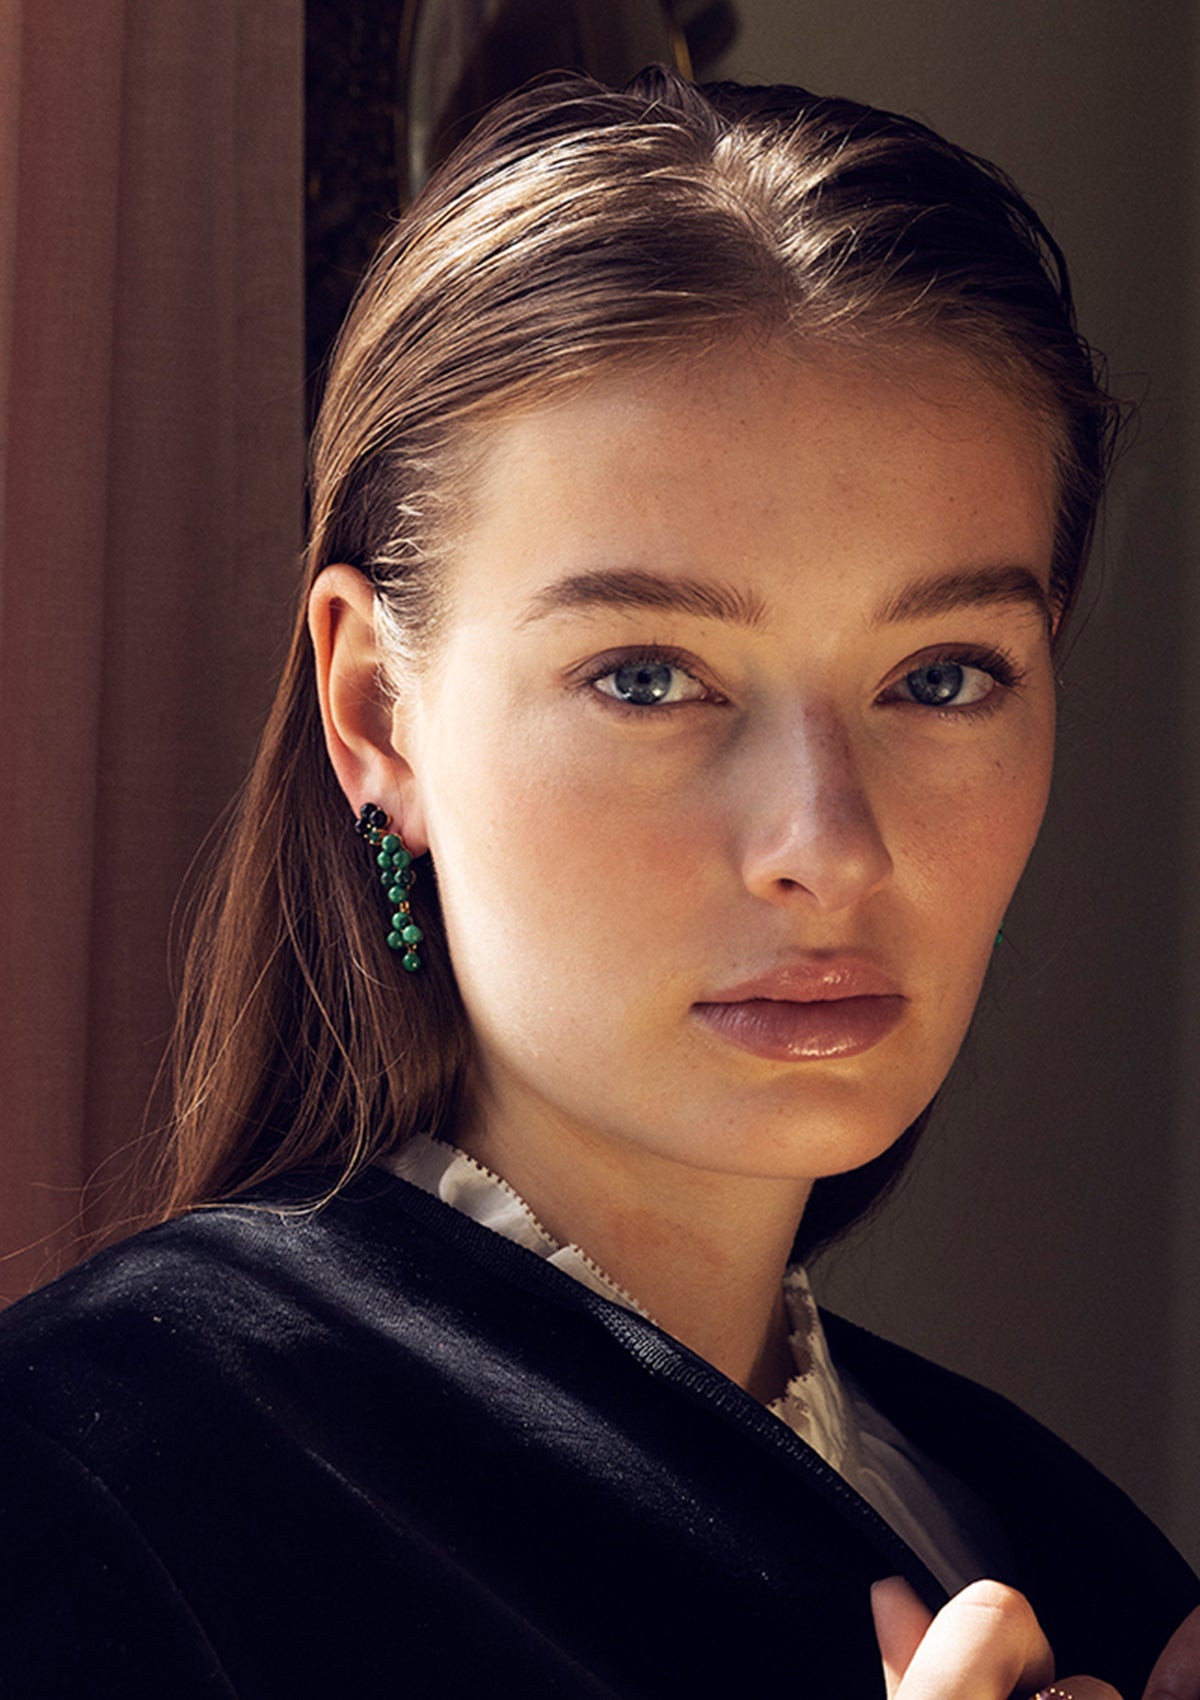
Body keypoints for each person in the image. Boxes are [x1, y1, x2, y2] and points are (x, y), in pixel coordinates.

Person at [0, 65, 1196, 1698]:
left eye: (942, 677)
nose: (828, 843)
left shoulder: (1083, 1561)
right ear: (375, 710)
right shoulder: (87, 1488)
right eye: (646, 676)